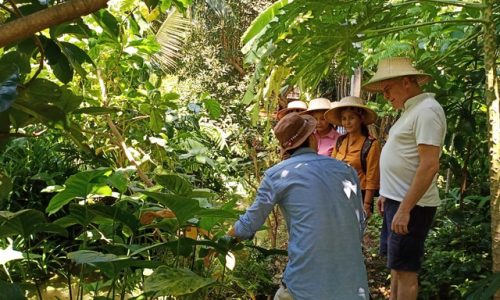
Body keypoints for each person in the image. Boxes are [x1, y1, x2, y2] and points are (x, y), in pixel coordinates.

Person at [228, 113, 369, 300]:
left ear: (286, 148)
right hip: (353, 286)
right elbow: (359, 224)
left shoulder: (277, 175)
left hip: (304, 286)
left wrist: (220, 241)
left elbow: (247, 226)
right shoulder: (347, 170)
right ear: (312, 137)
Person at [363, 57, 447, 300]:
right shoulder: (412, 109)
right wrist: (388, 195)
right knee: (397, 267)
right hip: (397, 201)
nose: (386, 96)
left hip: (411, 205)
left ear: (407, 82)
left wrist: (405, 208)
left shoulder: (428, 111)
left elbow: (430, 164)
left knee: (407, 271)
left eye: (388, 89)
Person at [325, 96, 380, 219]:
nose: (347, 122)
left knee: (354, 234)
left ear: (360, 119)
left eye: (351, 118)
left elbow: (372, 178)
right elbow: (332, 167)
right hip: (339, 192)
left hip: (358, 195)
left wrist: (366, 205)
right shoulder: (340, 141)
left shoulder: (370, 144)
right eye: (344, 118)